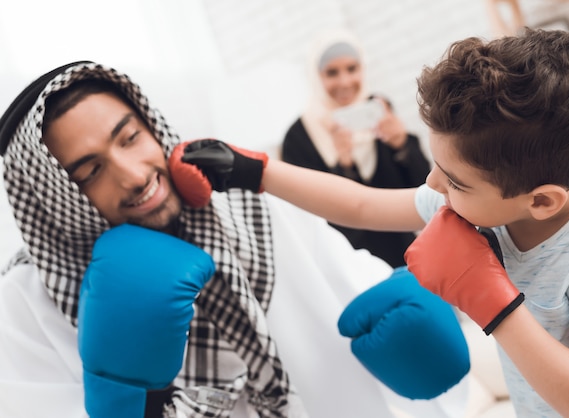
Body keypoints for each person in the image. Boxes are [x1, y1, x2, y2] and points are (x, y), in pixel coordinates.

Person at [178, 28, 569, 417]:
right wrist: (258, 172)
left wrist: (494, 304)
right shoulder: (482, 200)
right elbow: (361, 206)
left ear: (542, 202)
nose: (433, 183)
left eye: (453, 181)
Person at [0, 61, 470, 418]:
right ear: (51, 201)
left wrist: (425, 331)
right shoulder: (28, 305)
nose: (133, 175)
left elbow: (368, 288)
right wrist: (136, 401)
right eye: (89, 173)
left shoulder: (250, 211)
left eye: (129, 139)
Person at [281, 28, 431, 267]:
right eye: (332, 72)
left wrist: (401, 144)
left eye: (352, 69)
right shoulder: (299, 137)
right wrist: (344, 165)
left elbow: (423, 187)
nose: (345, 81)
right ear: (315, 76)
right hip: (351, 267)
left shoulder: (378, 108)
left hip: (409, 256)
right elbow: (314, 220)